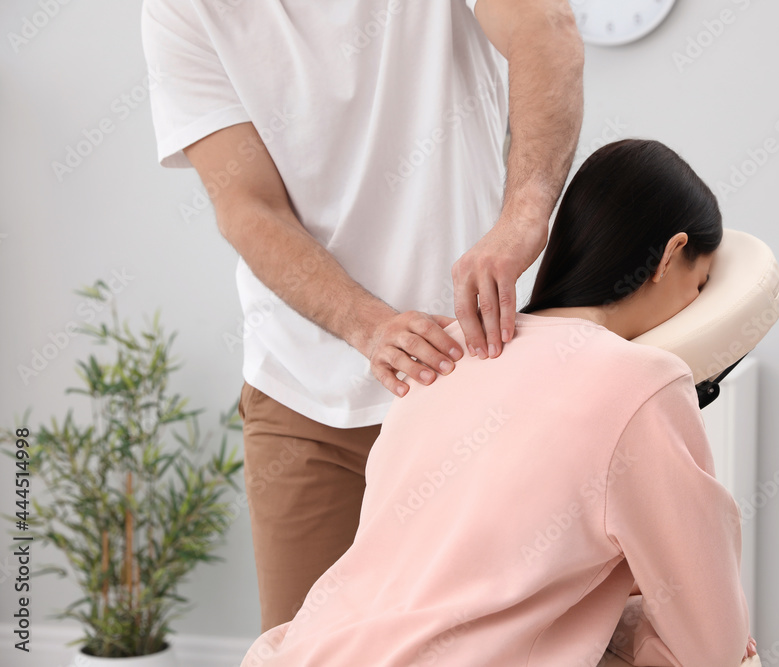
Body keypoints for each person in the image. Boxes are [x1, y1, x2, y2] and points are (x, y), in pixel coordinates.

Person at [140, 0, 584, 632]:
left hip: (475, 372)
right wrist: (365, 323)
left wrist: (525, 214)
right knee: (305, 648)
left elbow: (546, 28)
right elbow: (248, 205)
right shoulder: (180, 10)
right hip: (304, 397)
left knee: (485, 645)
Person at [239, 138, 758, 667]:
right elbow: (709, 647)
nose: (693, 305)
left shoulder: (447, 353)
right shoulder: (642, 380)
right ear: (669, 256)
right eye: (698, 284)